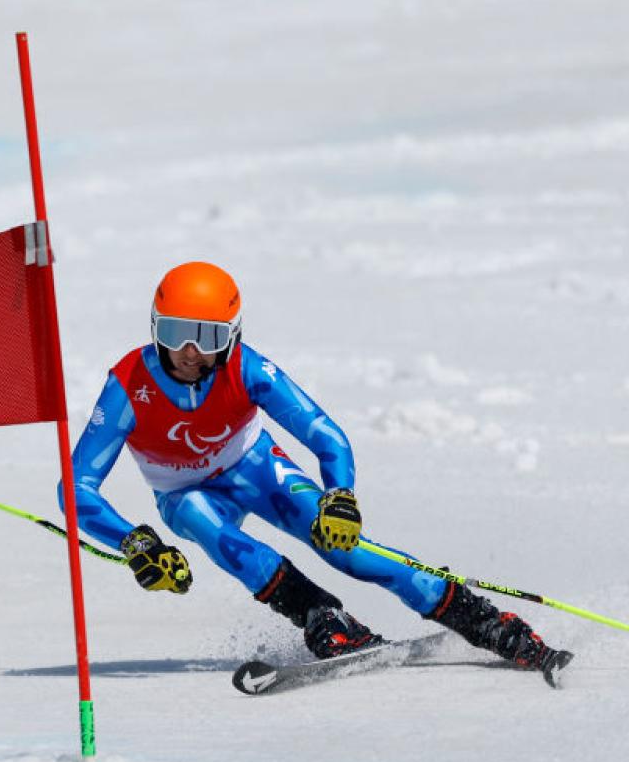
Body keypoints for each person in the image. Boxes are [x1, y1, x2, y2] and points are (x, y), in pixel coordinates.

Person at [62, 261, 571, 676]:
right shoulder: (129, 385)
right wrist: (134, 543)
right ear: (155, 327)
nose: (190, 351)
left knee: (341, 545)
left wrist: (341, 496)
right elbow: (76, 488)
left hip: (254, 466)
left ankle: (481, 620)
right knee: (206, 523)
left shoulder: (247, 368)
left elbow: (325, 435)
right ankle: (320, 616)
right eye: (176, 333)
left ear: (232, 336)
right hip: (183, 491)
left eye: (207, 336)